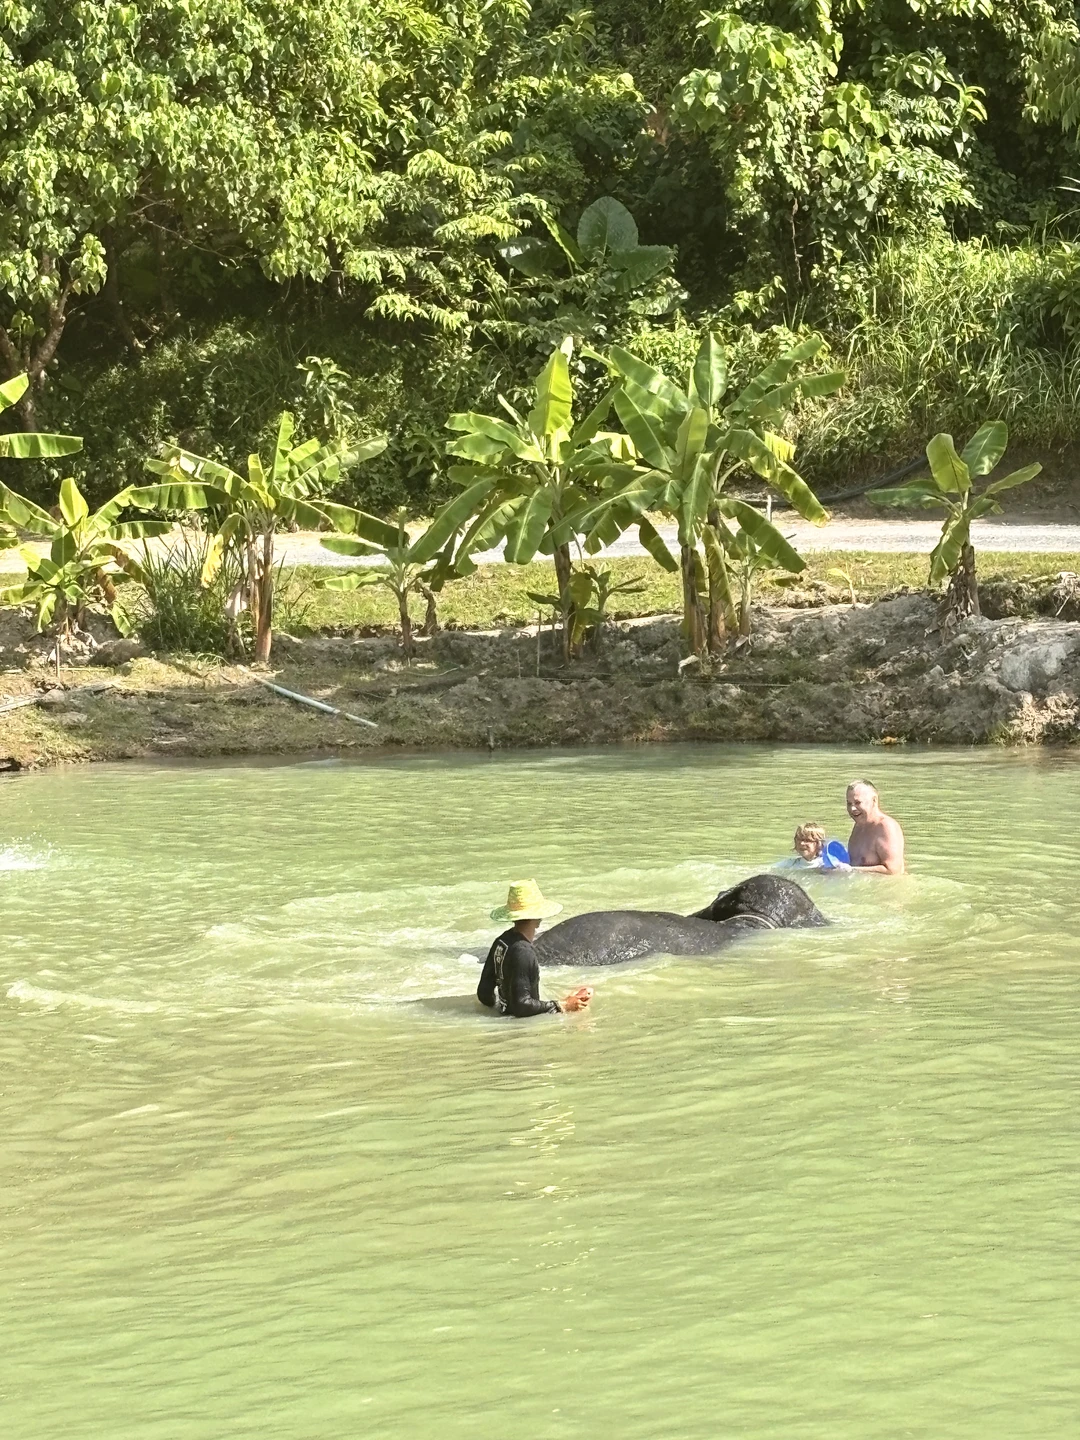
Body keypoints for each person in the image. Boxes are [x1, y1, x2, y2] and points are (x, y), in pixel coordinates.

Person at [477, 880, 592, 1018]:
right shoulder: (524, 952)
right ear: (538, 918)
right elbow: (522, 1006)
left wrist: (501, 1009)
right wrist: (562, 1005)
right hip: (523, 1034)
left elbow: (484, 994)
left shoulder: (501, 942)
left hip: (507, 1026)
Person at [842, 781, 905, 874]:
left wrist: (850, 870)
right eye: (849, 803)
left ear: (874, 800)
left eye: (857, 802)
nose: (852, 809)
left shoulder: (886, 827)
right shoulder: (859, 826)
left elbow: (894, 870)